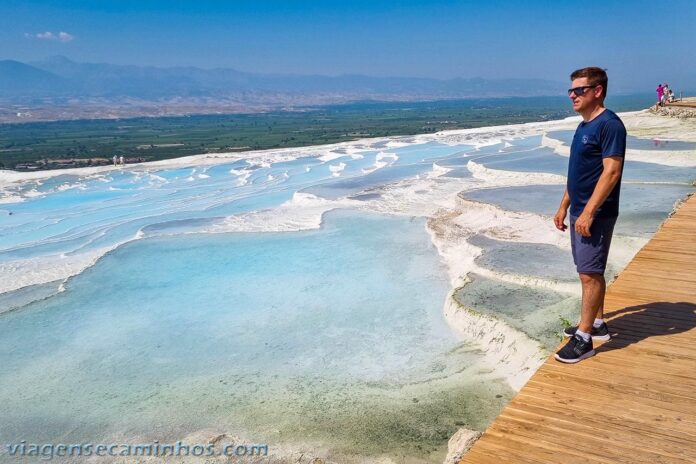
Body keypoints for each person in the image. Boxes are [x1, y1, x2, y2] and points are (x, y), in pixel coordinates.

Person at [553, 67, 626, 363]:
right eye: (571, 90)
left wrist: (589, 212)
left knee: (589, 274)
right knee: (589, 270)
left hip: (596, 215)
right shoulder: (583, 126)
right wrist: (563, 206)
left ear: (597, 91)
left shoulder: (610, 125)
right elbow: (578, 174)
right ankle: (597, 324)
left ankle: (584, 340)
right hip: (581, 212)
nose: (572, 95)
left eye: (579, 90)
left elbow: (611, 172)